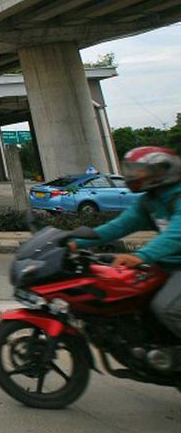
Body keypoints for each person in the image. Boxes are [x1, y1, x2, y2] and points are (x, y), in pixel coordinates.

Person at [75, 146, 181, 345]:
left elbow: (177, 233)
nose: (133, 175)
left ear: (161, 170)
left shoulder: (177, 195)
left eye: (139, 170)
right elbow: (117, 227)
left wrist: (142, 256)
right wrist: (73, 242)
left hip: (176, 266)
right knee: (133, 300)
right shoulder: (148, 201)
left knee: (166, 307)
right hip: (165, 266)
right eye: (131, 170)